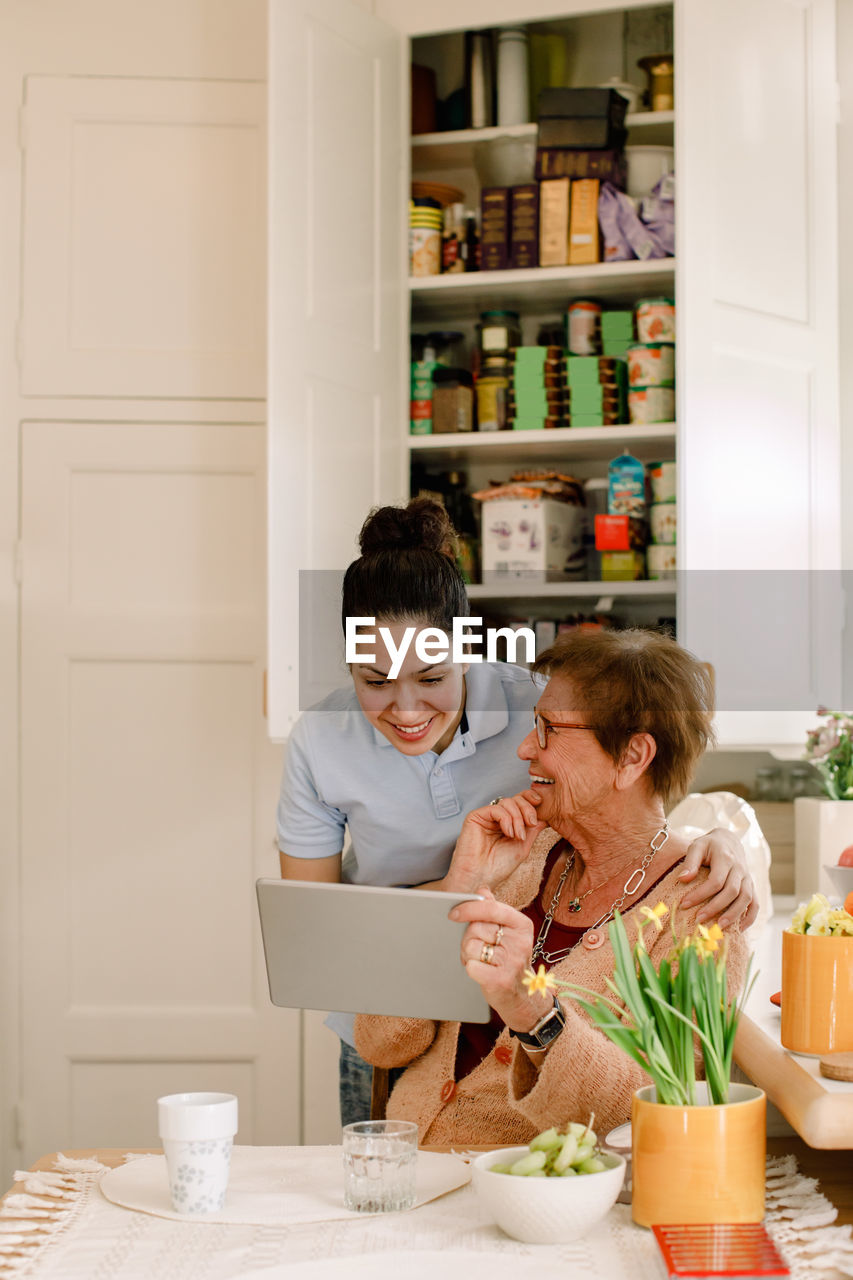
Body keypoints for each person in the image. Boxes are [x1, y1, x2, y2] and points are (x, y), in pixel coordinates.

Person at [276, 500, 757, 1126]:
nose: (405, 708)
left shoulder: (540, 699)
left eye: (431, 677)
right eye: (374, 680)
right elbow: (318, 934)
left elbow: (643, 790)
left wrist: (722, 836)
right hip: (385, 1002)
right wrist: (458, 890)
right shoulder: (320, 739)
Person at [353, 629, 752, 1144]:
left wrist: (534, 1013)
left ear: (633, 757)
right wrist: (462, 886)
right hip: (404, 1168)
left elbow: (662, 1113)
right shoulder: (524, 858)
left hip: (528, 1198)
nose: (525, 748)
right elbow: (380, 1044)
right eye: (530, 725)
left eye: (549, 730)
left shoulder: (701, 910)